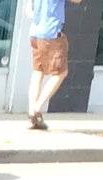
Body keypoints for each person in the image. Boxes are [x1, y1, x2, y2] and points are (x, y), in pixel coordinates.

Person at [27, 0, 81, 130]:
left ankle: (31, 113)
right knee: (61, 72)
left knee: (37, 72)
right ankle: (37, 108)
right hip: (51, 34)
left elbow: (29, 12)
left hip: (35, 33)